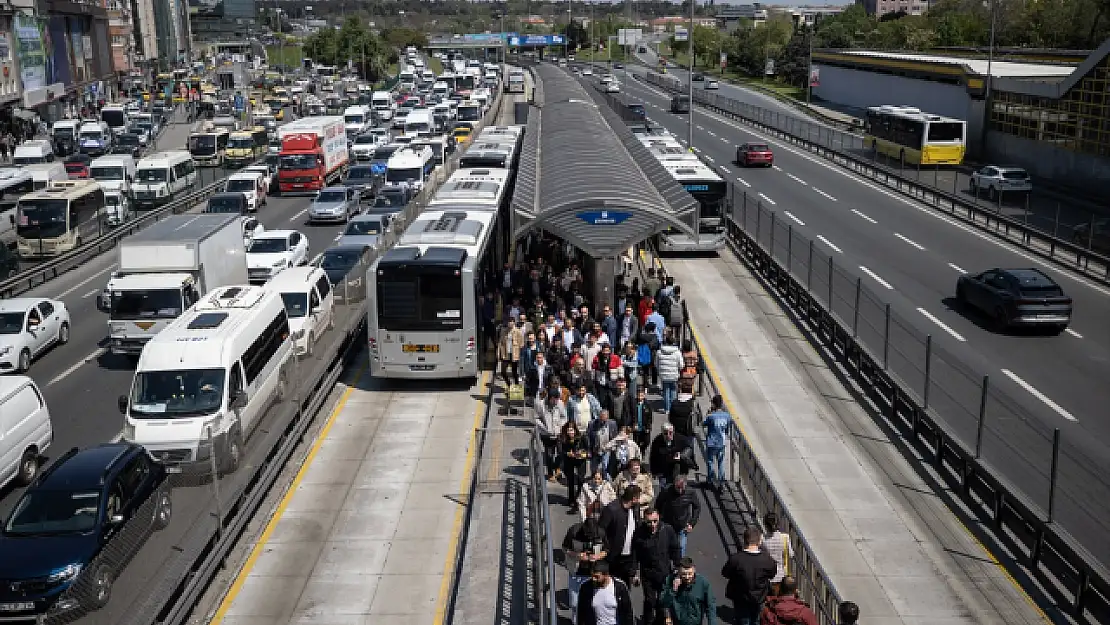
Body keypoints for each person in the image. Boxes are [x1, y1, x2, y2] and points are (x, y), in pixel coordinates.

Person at [632, 508, 682, 625]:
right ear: (644, 520)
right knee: (650, 600)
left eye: (655, 521)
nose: (652, 524)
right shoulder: (639, 533)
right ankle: (648, 621)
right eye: (649, 522)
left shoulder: (667, 530)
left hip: (664, 572)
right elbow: (635, 553)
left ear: (658, 517)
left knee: (662, 601)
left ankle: (659, 622)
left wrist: (677, 568)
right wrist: (634, 572)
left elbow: (675, 549)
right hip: (647, 573)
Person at [563, 502, 610, 625]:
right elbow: (565, 548)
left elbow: (607, 550)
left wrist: (598, 556)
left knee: (593, 603)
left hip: (593, 572)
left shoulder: (601, 533)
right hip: (577, 571)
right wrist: (578, 556)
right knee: (574, 603)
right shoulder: (573, 531)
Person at [721, 527, 778, 625]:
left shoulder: (736, 559)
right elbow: (772, 575)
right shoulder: (767, 560)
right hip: (760, 597)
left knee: (743, 621)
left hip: (740, 597)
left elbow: (725, 573)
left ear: (745, 540)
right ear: (759, 542)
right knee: (756, 620)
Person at [598, 486, 642, 585]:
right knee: (610, 586)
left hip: (628, 557)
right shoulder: (611, 509)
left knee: (625, 587)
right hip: (613, 557)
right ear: (633, 498)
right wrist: (606, 548)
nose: (639, 500)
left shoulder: (635, 509)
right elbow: (601, 530)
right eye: (638, 497)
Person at [658, 557, 716, 625]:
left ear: (694, 570)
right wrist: (673, 590)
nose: (687, 577)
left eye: (690, 573)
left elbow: (710, 606)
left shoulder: (702, 583)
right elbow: (663, 603)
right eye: (684, 574)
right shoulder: (670, 580)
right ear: (678, 571)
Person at [576, 561, 635, 625]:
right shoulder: (586, 587)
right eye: (592, 575)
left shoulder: (620, 587)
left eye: (596, 577)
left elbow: (628, 612)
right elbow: (581, 612)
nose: (593, 579)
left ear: (606, 575)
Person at [655, 476, 701, 557]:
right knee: (666, 546)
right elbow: (658, 504)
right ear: (674, 485)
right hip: (668, 524)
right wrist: (658, 518)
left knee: (681, 547)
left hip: (683, 525)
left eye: (681, 488)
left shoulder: (690, 492)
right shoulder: (666, 491)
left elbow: (696, 507)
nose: (679, 491)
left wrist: (692, 523)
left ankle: (679, 566)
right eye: (677, 488)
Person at [702, 395, 734, 489]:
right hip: (722, 442)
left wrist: (708, 414)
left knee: (710, 461)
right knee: (721, 462)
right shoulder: (727, 416)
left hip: (712, 441)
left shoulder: (711, 416)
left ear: (714, 404)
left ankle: (710, 480)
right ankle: (721, 482)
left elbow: (703, 424)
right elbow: (727, 428)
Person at [535, 389, 567, 481]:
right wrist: (544, 427)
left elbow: (564, 416)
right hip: (546, 434)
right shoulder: (540, 404)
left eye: (557, 399)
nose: (556, 402)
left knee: (561, 452)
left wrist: (560, 426)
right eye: (554, 400)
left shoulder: (560, 404)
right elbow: (536, 418)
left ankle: (557, 468)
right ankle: (550, 473)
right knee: (549, 455)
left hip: (558, 433)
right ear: (549, 398)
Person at [561, 420, 590, 514]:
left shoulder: (582, 437)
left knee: (581, 480)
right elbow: (561, 450)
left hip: (580, 460)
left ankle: (578, 500)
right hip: (569, 461)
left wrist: (583, 454)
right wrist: (567, 453)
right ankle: (571, 499)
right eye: (568, 430)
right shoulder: (563, 439)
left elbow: (588, 450)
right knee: (570, 480)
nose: (570, 432)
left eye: (572, 430)